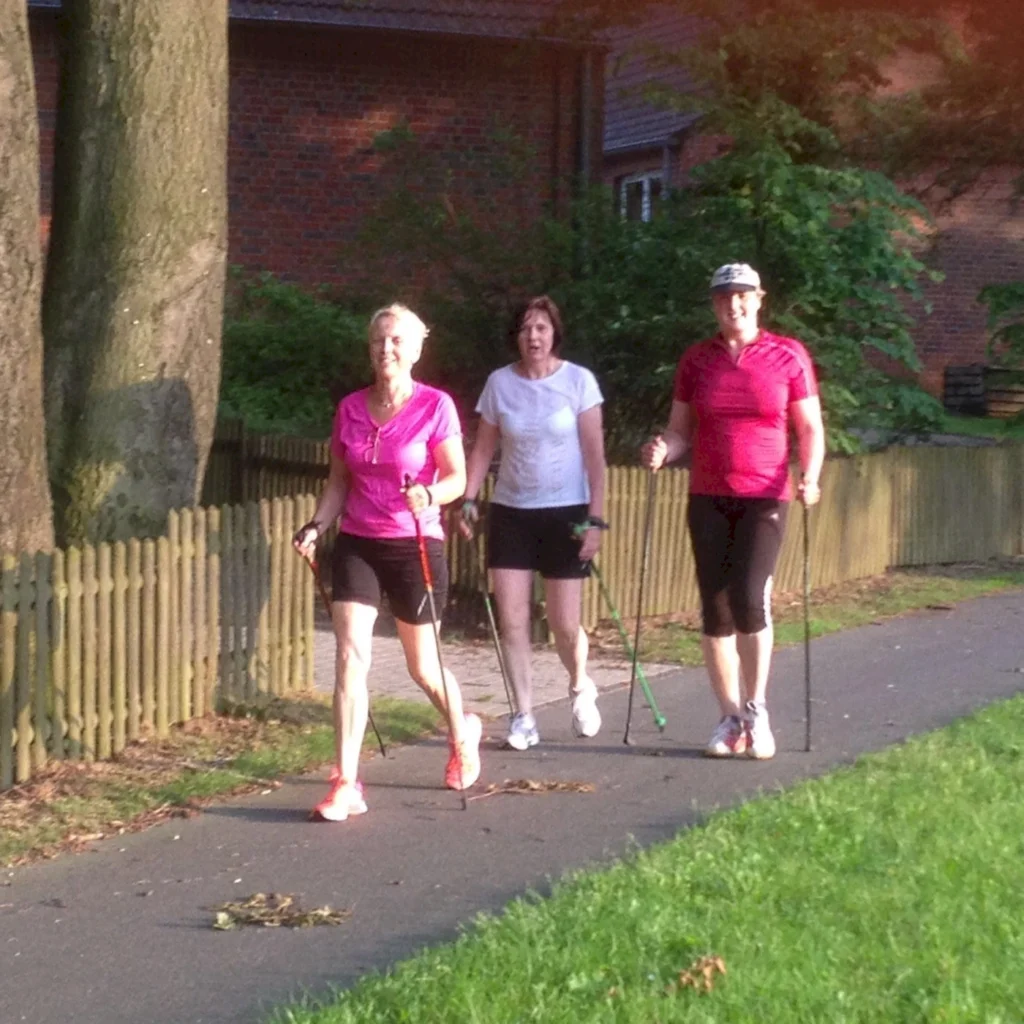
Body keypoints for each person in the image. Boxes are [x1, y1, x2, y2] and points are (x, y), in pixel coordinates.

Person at [293, 303, 481, 821]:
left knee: (423, 667)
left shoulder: (435, 406)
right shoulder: (350, 408)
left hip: (414, 542)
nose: (387, 349)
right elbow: (338, 482)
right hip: (358, 541)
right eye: (379, 340)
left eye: (397, 340)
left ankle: (462, 733)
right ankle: (346, 782)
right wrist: (317, 525)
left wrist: (430, 493)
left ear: (417, 349)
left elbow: (457, 479)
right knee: (351, 657)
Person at [641, 263, 825, 760]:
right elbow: (680, 429)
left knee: (750, 598)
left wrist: (810, 475)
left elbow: (809, 428)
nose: (733, 305)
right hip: (708, 495)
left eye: (742, 296)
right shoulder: (697, 360)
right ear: (714, 305)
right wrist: (665, 449)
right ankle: (728, 719)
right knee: (716, 609)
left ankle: (756, 708)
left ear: (759, 299)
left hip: (766, 494)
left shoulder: (789, 355)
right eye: (724, 298)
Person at [460, 296, 607, 750]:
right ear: (516, 337)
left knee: (564, 624)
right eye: (525, 329)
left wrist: (597, 520)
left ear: (554, 333)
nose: (534, 337)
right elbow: (484, 449)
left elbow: (595, 457)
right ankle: (523, 714)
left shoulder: (579, 381)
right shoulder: (499, 384)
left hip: (567, 512)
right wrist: (467, 499)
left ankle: (580, 684)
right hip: (511, 513)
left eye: (541, 328)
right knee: (513, 620)